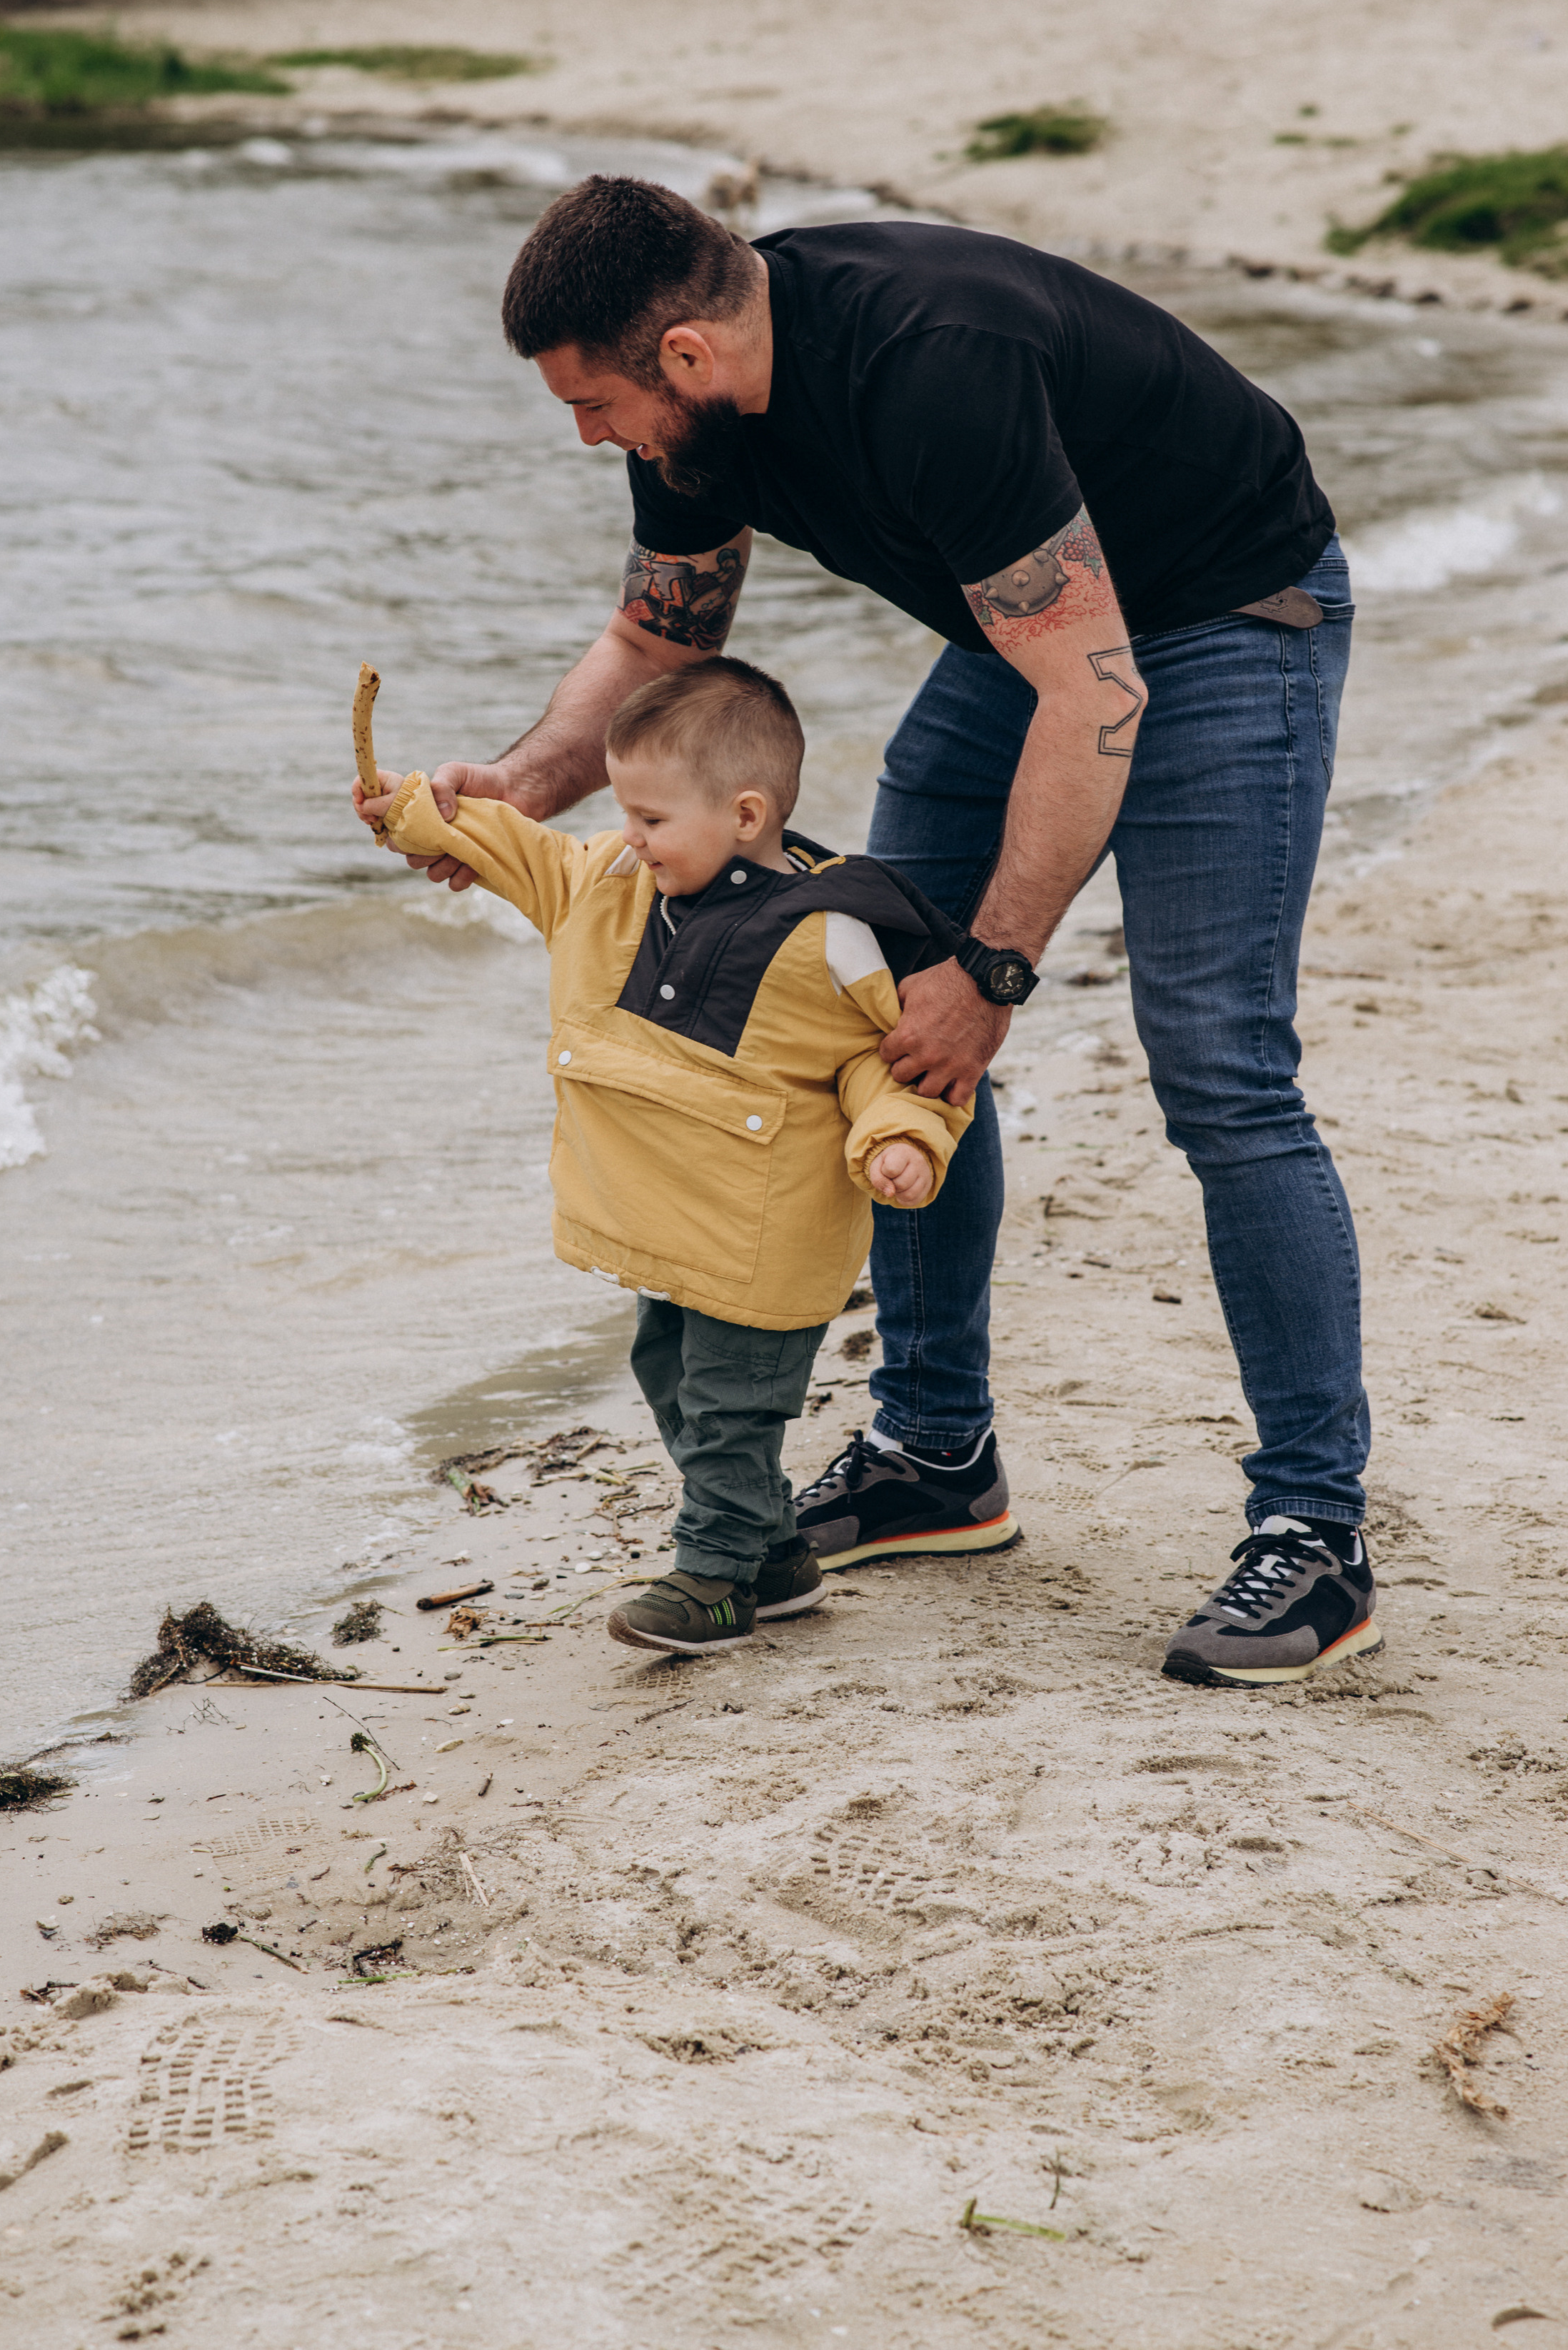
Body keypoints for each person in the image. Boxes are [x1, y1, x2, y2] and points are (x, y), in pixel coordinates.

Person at [379, 175, 1379, 1691]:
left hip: (1233, 613)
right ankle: (933, 1451)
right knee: (873, 1008)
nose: (590, 438)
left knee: (1217, 1063)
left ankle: (1313, 1528)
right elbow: (662, 635)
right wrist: (517, 787)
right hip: (1036, 633)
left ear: (687, 360)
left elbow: (1093, 696)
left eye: (594, 406)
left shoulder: (932, 367)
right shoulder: (708, 408)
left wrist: (990, 972)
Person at [357, 657, 998, 1657]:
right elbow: (516, 844)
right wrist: (411, 811)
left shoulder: (831, 939)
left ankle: (712, 1581)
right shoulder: (608, 882)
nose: (628, 835)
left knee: (732, 1409)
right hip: (668, 1233)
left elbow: (892, 1066)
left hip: (762, 1239)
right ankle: (778, 1559)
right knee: (670, 1374)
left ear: (746, 816)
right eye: (623, 811)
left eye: (651, 818)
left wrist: (903, 1141)